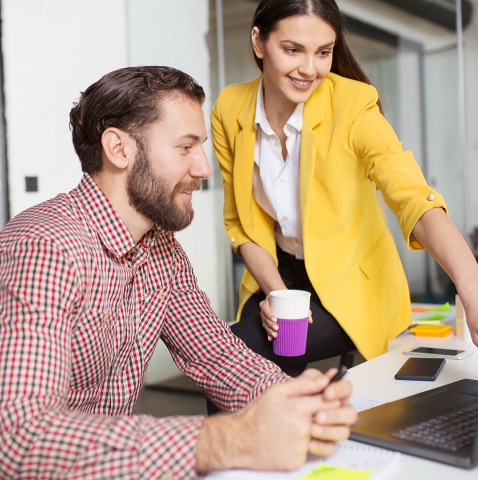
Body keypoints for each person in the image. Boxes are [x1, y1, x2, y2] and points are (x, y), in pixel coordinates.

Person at [0, 66, 357, 479]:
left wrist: (301, 400)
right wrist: (226, 440)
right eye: (186, 147)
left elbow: (217, 356)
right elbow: (19, 439)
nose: (204, 169)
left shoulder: (160, 249)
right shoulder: (45, 247)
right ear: (119, 149)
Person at [210, 0, 478, 379]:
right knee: (229, 357)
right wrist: (274, 292)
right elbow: (241, 225)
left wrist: (472, 284)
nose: (309, 69)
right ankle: (249, 437)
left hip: (352, 282)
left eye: (323, 52)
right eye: (292, 50)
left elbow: (413, 198)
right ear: (259, 42)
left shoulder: (354, 105)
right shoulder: (230, 107)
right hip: (279, 273)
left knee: (244, 354)